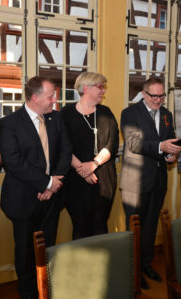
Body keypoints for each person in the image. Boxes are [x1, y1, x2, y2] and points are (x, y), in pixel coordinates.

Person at [0, 76, 71, 299]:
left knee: (48, 245)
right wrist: (46, 182)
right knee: (25, 249)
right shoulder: (9, 123)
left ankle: (45, 288)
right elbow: (13, 162)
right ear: (35, 97)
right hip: (23, 199)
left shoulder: (56, 119)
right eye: (51, 96)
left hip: (53, 196)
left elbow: (66, 150)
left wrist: (54, 184)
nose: (54, 101)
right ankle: (27, 291)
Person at [120, 78, 181, 289]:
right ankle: (132, 272)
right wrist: (161, 147)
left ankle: (146, 264)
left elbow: (170, 139)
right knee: (134, 228)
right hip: (135, 183)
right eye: (153, 96)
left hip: (158, 180)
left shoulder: (166, 114)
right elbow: (134, 143)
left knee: (150, 227)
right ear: (144, 94)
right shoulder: (129, 113)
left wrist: (170, 155)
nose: (158, 100)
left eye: (161, 95)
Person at [61, 72, 119, 239]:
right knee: (80, 227)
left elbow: (112, 144)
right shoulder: (66, 114)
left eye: (104, 87)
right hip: (75, 180)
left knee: (100, 226)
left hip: (104, 179)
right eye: (101, 87)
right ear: (86, 88)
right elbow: (63, 146)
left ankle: (102, 265)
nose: (103, 91)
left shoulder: (106, 113)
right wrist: (81, 169)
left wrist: (93, 165)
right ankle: (81, 265)